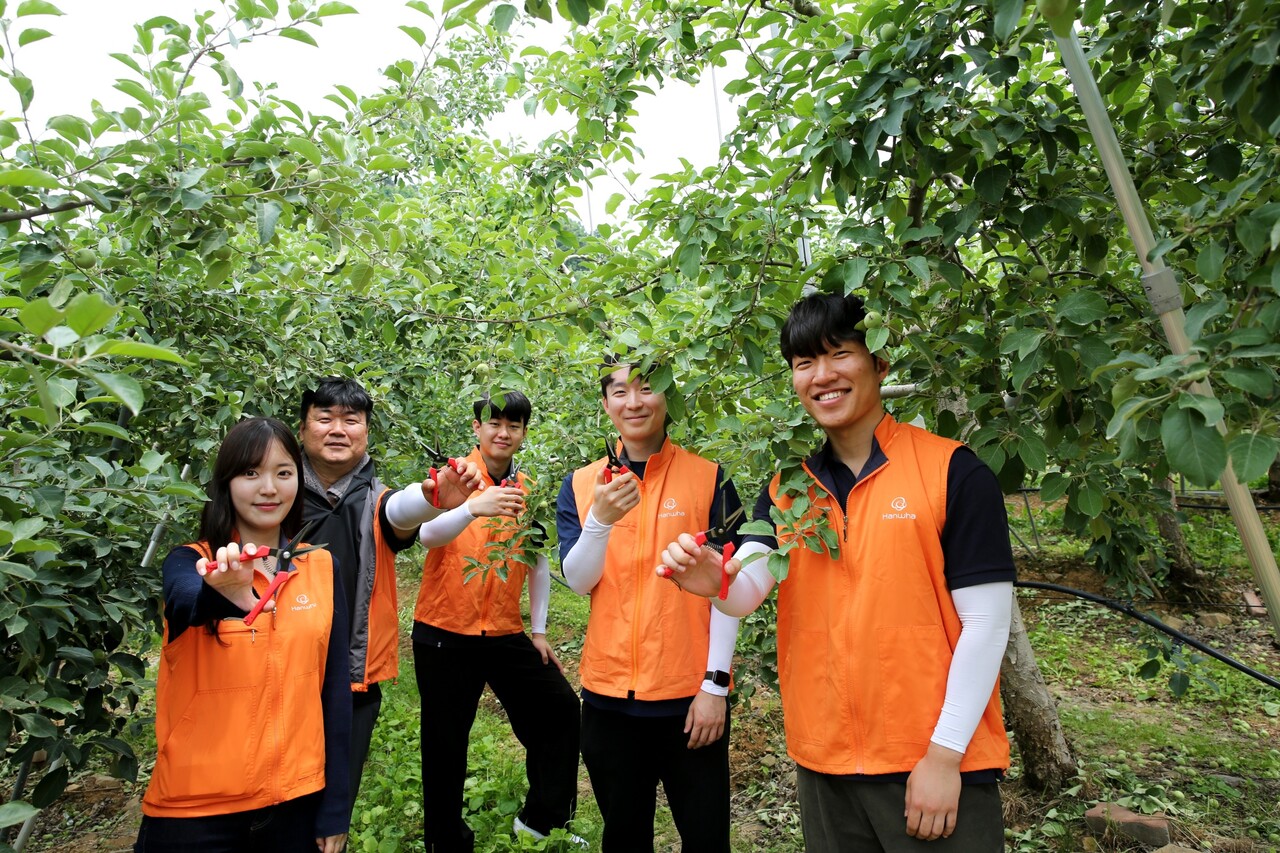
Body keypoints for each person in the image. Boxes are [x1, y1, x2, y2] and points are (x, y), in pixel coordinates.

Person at [659, 293, 1016, 852]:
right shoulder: (788, 489)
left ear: (879, 362)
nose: (822, 376)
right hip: (824, 760)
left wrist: (945, 756)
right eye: (805, 363)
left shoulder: (952, 472)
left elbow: (987, 624)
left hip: (933, 762)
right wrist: (712, 583)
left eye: (839, 354)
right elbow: (745, 589)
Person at [137, 417, 350, 853]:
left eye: (283, 473)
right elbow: (185, 600)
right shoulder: (191, 562)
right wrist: (222, 595)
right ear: (226, 483)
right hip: (195, 810)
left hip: (296, 803)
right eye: (250, 473)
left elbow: (333, 691)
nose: (269, 488)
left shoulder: (321, 568)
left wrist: (335, 806)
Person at [556, 361, 743, 853]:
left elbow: (728, 587)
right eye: (620, 392)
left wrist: (715, 686)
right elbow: (579, 581)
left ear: (667, 395)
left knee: (706, 839)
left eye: (646, 388)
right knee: (623, 837)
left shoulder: (710, 478)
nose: (634, 402)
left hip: (689, 698)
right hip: (608, 697)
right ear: (606, 404)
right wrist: (600, 519)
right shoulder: (582, 484)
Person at [297, 378, 483, 817]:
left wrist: (433, 498)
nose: (337, 429)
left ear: (366, 432)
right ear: (302, 428)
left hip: (350, 679)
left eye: (351, 420)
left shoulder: (375, 500)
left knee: (332, 807)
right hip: (278, 671)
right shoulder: (272, 495)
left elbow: (398, 511)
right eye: (324, 418)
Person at [411, 391, 583, 852]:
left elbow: (537, 560)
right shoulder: (453, 476)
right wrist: (471, 506)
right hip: (444, 630)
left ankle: (543, 821)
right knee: (445, 743)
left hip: (505, 632)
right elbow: (426, 536)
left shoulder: (528, 490)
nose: (503, 433)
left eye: (514, 425)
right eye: (494, 423)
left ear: (524, 433)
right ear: (477, 428)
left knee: (560, 710)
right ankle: (445, 842)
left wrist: (540, 631)